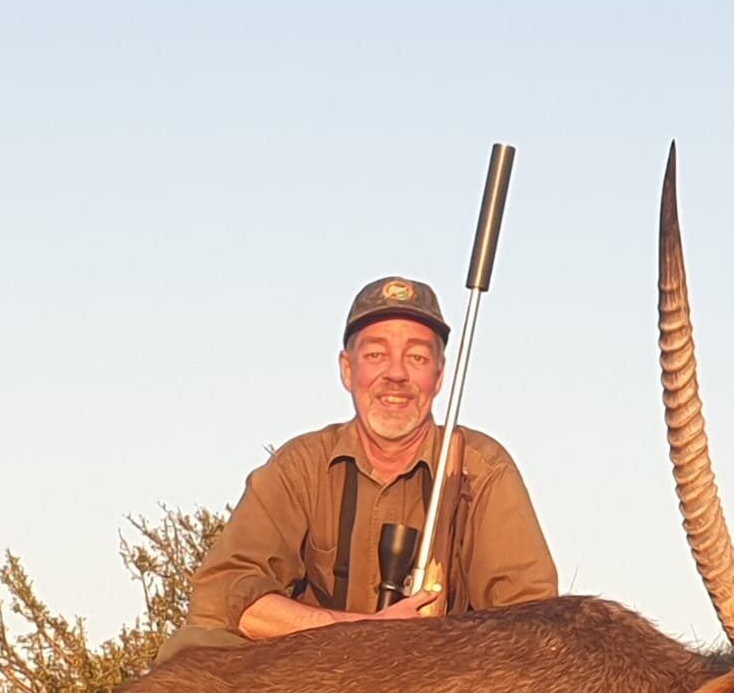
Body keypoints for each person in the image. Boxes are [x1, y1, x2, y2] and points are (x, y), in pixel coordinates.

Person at [155, 276, 557, 662]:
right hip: (315, 681)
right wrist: (359, 629)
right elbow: (224, 592)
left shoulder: (482, 470)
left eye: (416, 357)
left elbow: (533, 622)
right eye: (376, 355)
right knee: (191, 651)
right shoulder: (301, 467)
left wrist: (433, 644)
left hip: (442, 690)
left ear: (439, 376)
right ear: (347, 370)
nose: (396, 374)